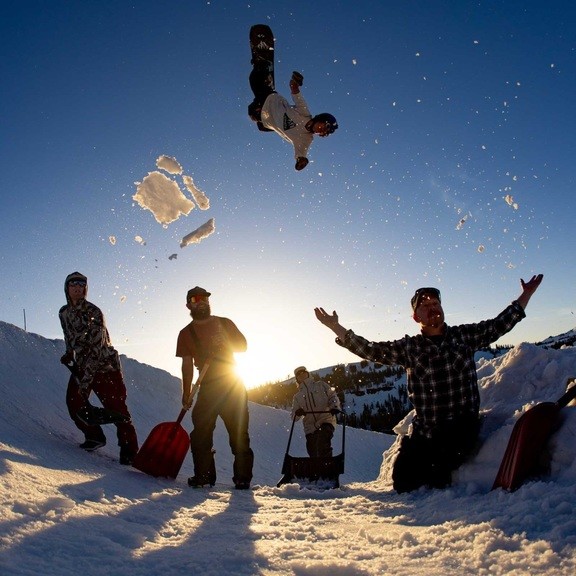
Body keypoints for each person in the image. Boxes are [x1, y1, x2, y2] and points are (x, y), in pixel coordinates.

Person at [314, 274, 544, 493]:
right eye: (425, 305)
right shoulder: (410, 348)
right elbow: (370, 349)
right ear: (416, 317)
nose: (433, 307)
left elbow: (499, 325)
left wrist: (527, 295)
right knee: (403, 481)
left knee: (439, 472)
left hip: (460, 427)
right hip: (427, 431)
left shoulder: (463, 336)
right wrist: (336, 327)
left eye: (436, 303)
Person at [176, 286, 254, 489]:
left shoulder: (224, 323)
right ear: (188, 305)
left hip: (232, 384)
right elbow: (186, 365)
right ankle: (204, 476)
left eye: (205, 298)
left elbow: (243, 346)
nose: (201, 301)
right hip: (208, 387)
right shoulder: (186, 333)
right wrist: (186, 392)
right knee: (200, 433)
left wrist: (226, 341)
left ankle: (242, 479)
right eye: (196, 299)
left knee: (239, 433)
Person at [58, 271, 139, 464]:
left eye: (81, 285)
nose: (77, 288)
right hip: (82, 364)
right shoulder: (64, 312)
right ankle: (94, 436)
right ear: (67, 289)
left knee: (117, 409)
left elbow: (96, 349)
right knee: (74, 403)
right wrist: (70, 353)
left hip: (105, 367)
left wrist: (85, 382)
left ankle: (130, 452)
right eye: (73, 285)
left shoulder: (93, 312)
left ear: (85, 289)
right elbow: (68, 335)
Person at [248, 63, 338, 171]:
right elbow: (297, 95)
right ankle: (261, 67)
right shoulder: (304, 112)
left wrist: (301, 160)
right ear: (320, 119)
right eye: (324, 127)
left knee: (255, 119)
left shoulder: (307, 139)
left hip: (265, 118)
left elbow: (302, 153)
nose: (321, 131)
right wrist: (295, 83)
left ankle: (265, 79)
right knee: (254, 79)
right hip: (270, 99)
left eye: (324, 132)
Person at [291, 366, 341, 458]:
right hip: (310, 427)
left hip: (326, 420)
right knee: (312, 450)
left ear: (308, 373)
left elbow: (332, 396)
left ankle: (327, 465)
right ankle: (317, 470)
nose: (302, 375)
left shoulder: (321, 385)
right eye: (299, 375)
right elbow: (294, 417)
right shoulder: (297, 397)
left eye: (303, 372)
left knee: (322, 443)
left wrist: (334, 406)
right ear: (297, 379)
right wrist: (298, 412)